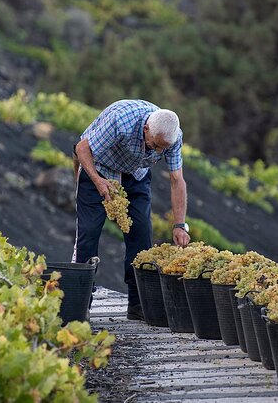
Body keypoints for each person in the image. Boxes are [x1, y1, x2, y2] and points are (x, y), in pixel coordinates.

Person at [72, 99, 190, 321]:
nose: (156, 152)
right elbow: (81, 149)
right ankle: (80, 305)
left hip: (135, 174)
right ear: (146, 129)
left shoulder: (171, 137)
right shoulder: (120, 120)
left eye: (162, 149)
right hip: (99, 167)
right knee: (89, 232)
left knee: (142, 235)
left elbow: (177, 179)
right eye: (155, 146)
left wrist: (179, 225)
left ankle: (138, 304)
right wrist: (98, 182)